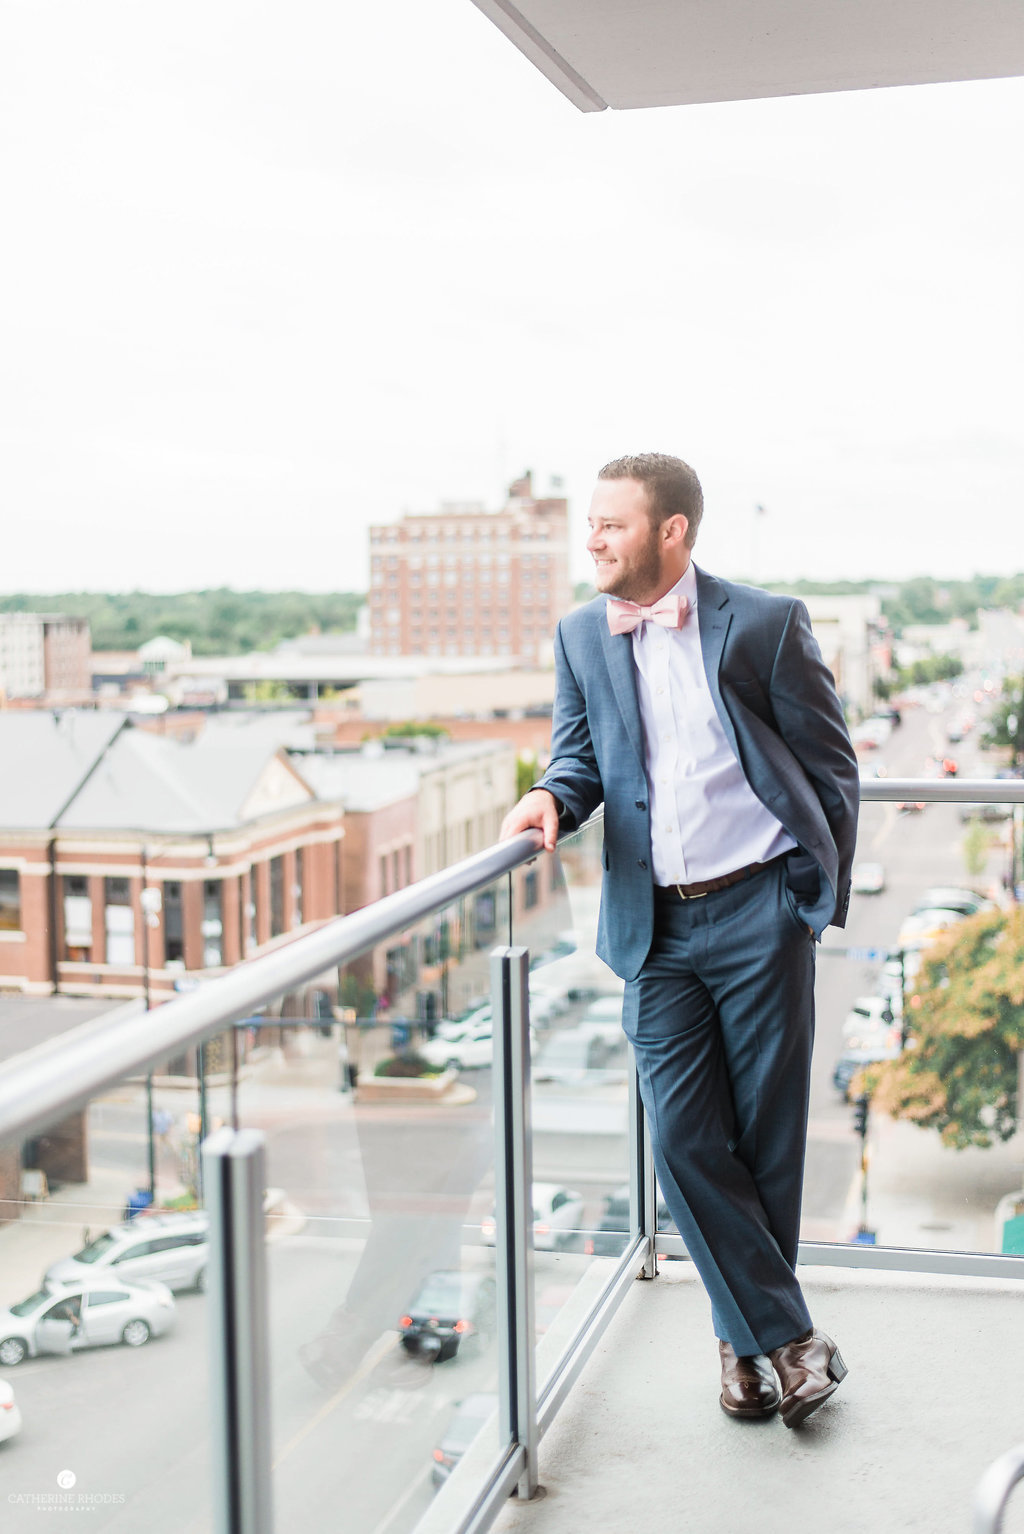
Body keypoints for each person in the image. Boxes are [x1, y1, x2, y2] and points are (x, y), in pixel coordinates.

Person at [500, 452, 860, 1428]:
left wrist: (812, 897)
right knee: (683, 1138)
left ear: (672, 532)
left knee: (768, 1139)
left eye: (611, 524)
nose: (592, 540)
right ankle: (786, 1341)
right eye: (590, 523)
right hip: (651, 927)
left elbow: (831, 768)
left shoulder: (765, 624)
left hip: (758, 909)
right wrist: (544, 794)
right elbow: (578, 754)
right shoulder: (581, 634)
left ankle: (742, 1353)